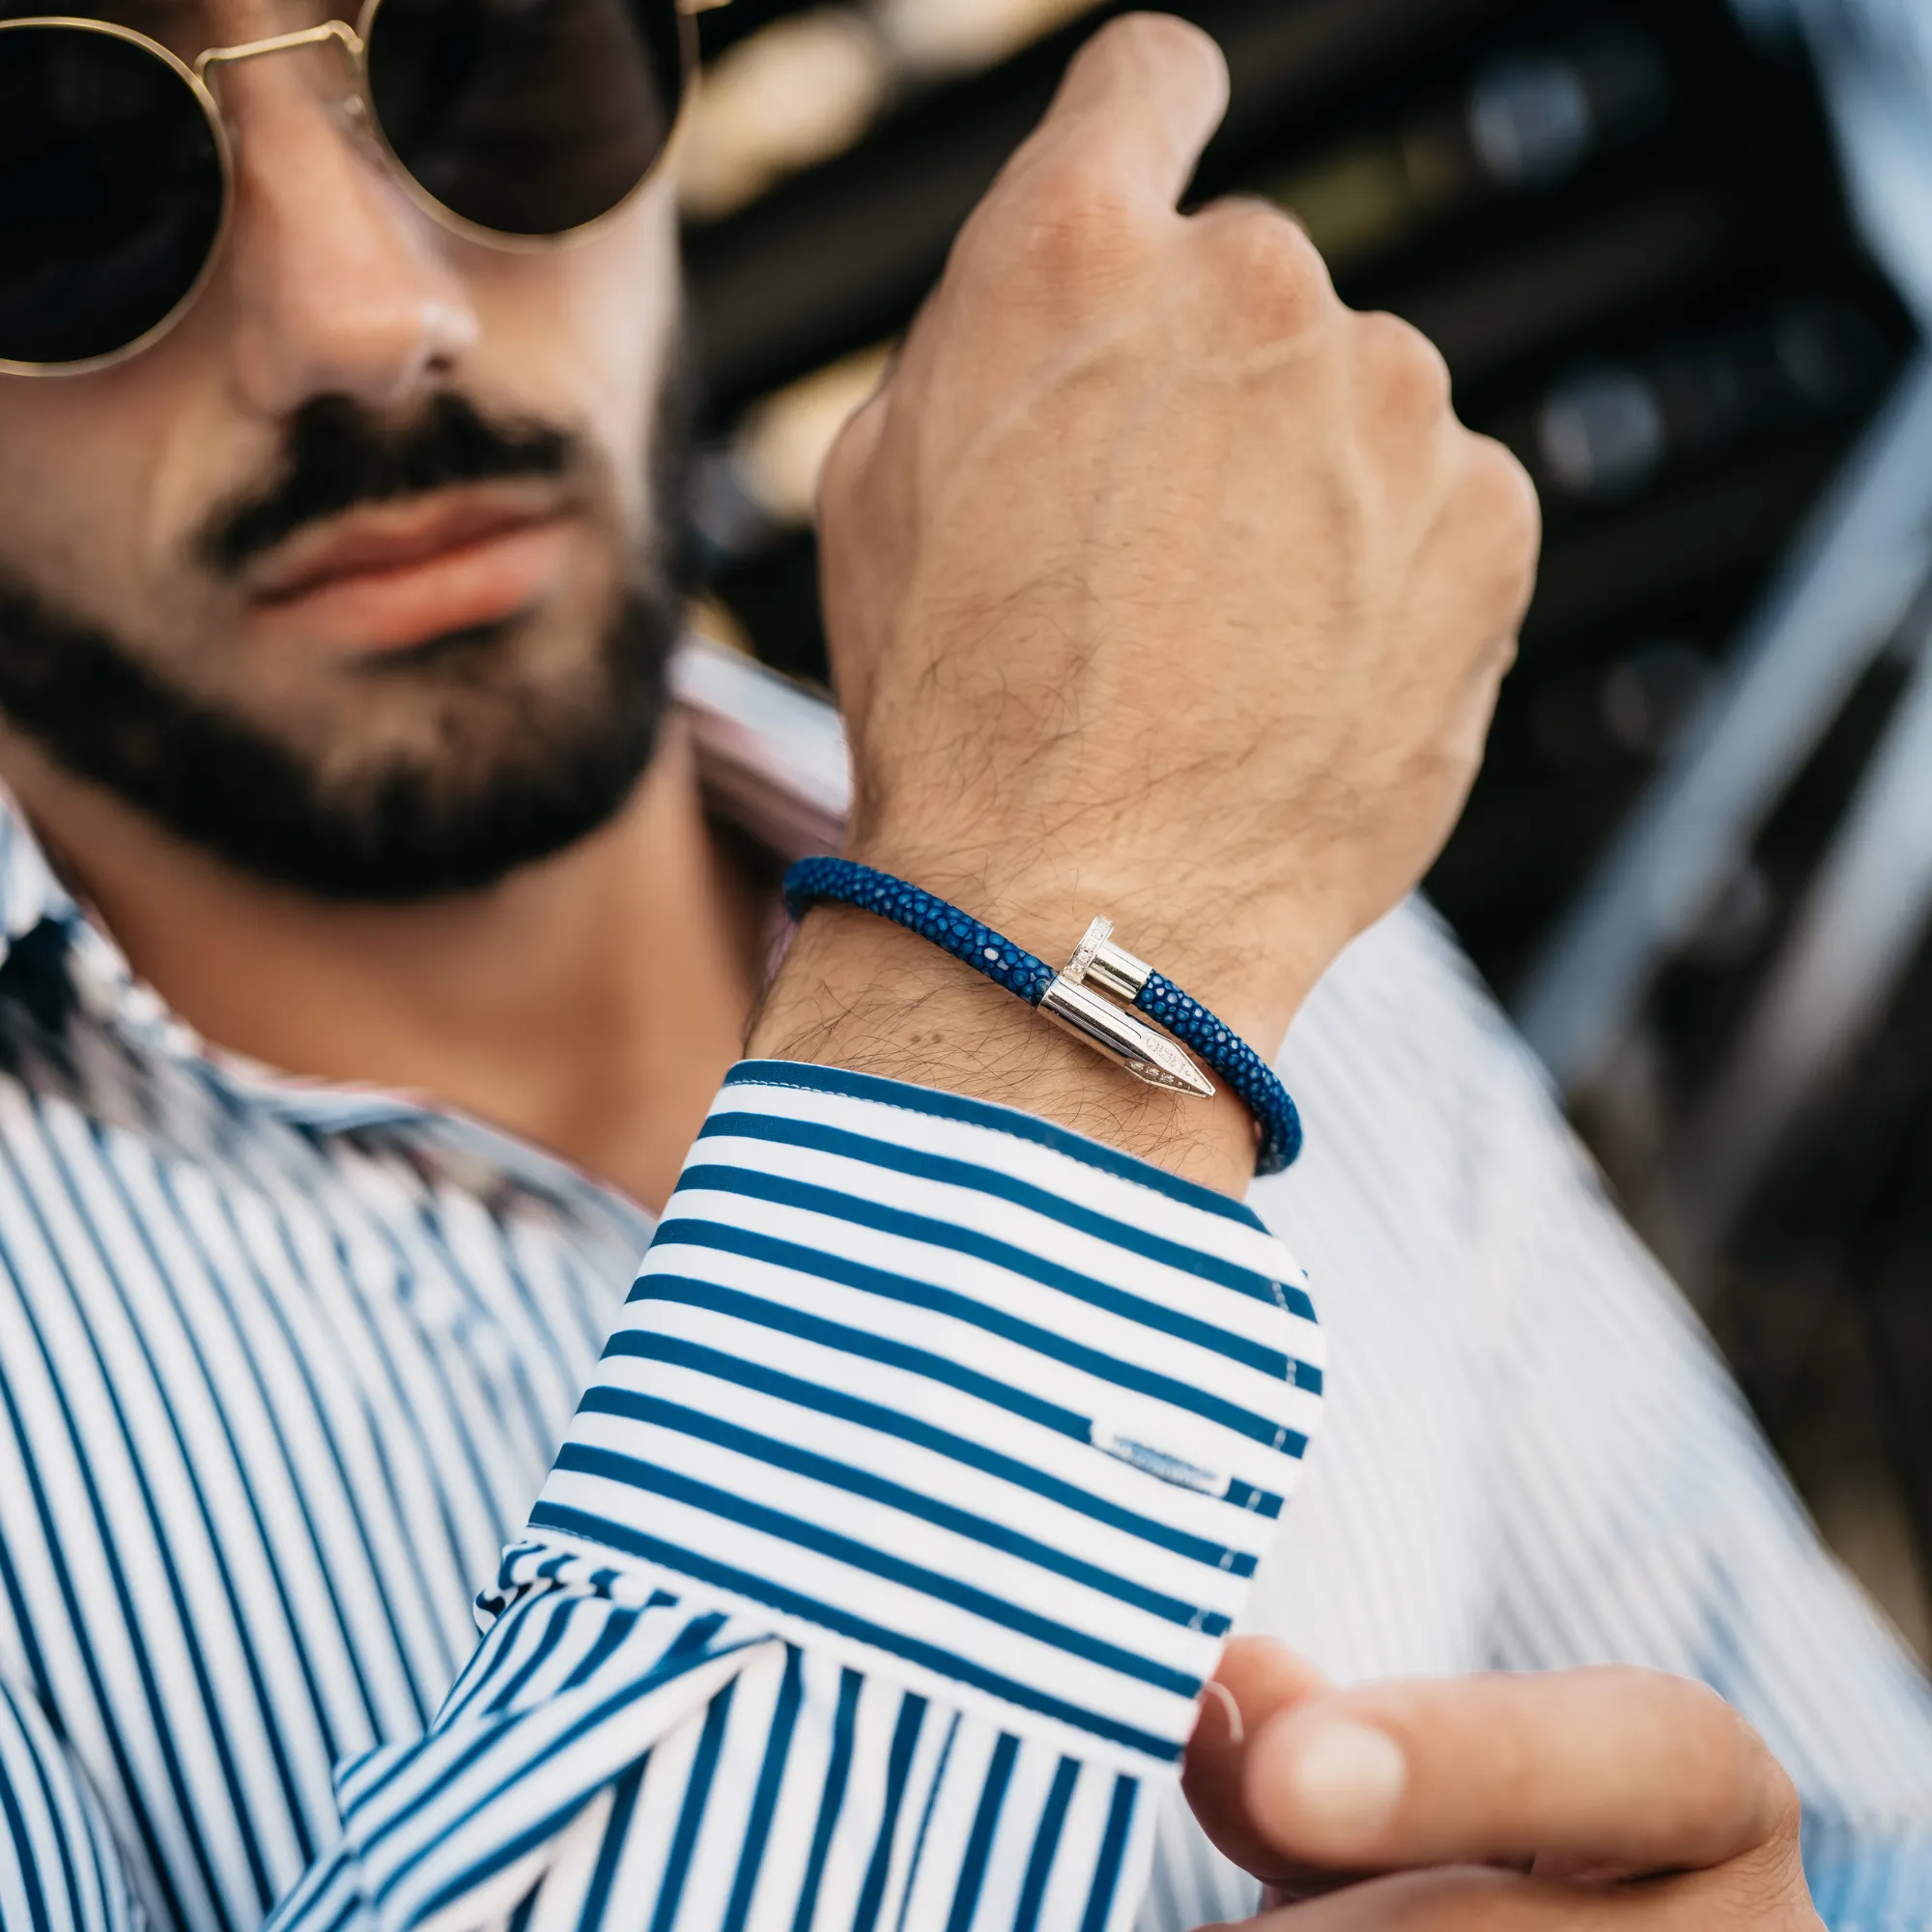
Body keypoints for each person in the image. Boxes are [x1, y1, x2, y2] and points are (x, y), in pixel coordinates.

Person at [0, 6, 1924, 1930]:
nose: (361, 314)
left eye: (488, 47)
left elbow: (1857, 1814)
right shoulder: (1163, 867)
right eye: (54, 159)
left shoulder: (1266, 883)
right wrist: (1057, 950)